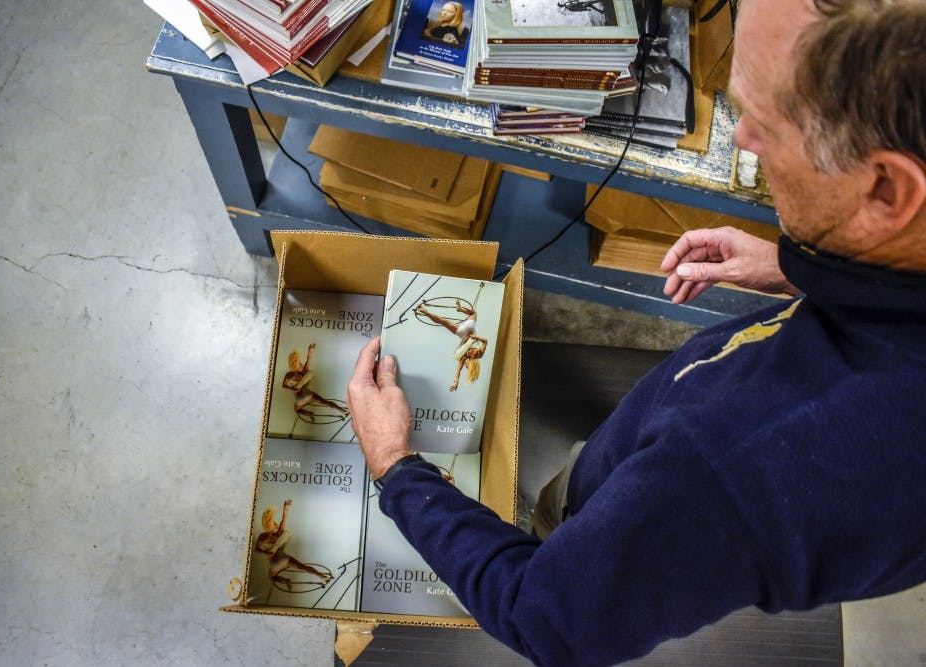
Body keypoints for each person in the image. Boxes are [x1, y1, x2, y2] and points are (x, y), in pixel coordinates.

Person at [347, 0, 926, 665]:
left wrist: (396, 466)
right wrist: (808, 268)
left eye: (763, 124)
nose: (740, 141)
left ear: (885, 189)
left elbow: (545, 616)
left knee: (568, 514)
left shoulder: (730, 465)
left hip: (646, 497)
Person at [254, 500, 332, 592]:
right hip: (283, 558)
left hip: (274, 563)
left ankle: (286, 581)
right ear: (274, 526)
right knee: (303, 567)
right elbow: (284, 520)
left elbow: (257, 549)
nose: (277, 526)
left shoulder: (262, 536)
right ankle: (320, 575)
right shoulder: (278, 534)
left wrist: (266, 552)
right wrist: (285, 509)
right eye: (276, 525)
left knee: (272, 578)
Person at [415, 299, 489, 391]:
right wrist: (475, 337)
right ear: (471, 365)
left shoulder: (475, 355)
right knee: (443, 321)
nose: (465, 366)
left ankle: (459, 309)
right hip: (464, 332)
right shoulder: (473, 355)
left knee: (473, 313)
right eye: (467, 367)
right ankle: (425, 311)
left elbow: (485, 341)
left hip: (467, 330)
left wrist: (456, 382)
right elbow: (486, 341)